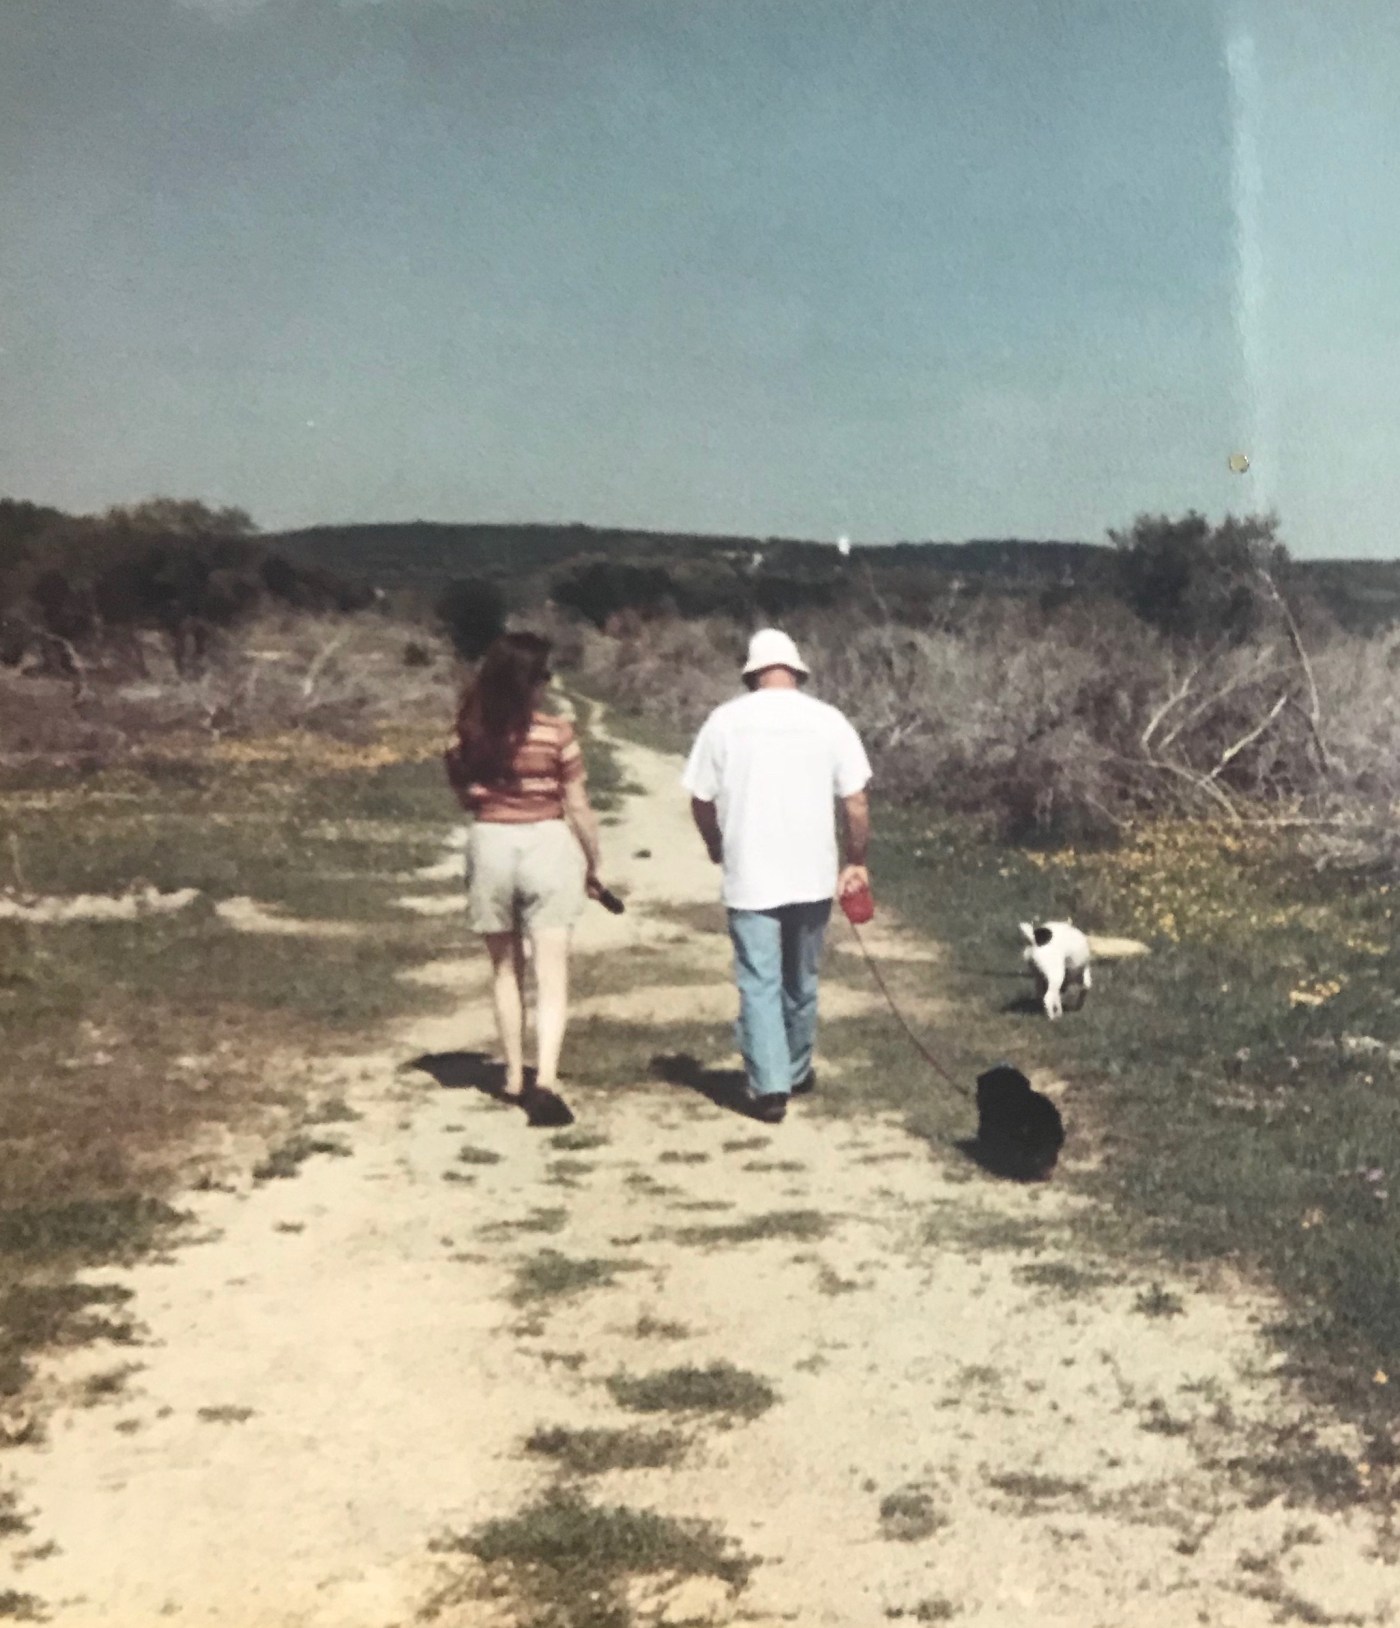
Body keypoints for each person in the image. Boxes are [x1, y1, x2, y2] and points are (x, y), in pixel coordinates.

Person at [682, 628, 872, 1124]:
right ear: (796, 671)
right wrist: (856, 858)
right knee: (801, 976)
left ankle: (771, 1087)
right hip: (811, 871)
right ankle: (794, 1065)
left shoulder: (725, 721)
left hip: (751, 873)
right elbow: (855, 800)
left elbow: (700, 799)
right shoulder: (829, 721)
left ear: (751, 674)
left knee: (759, 980)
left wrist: (714, 842)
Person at [445, 632, 606, 1105]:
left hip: (491, 842)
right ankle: (547, 1076)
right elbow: (578, 807)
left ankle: (513, 1073)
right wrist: (593, 865)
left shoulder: (464, 737)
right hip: (547, 843)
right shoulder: (557, 733)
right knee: (551, 970)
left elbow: (464, 799)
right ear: (533, 683)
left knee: (504, 969)